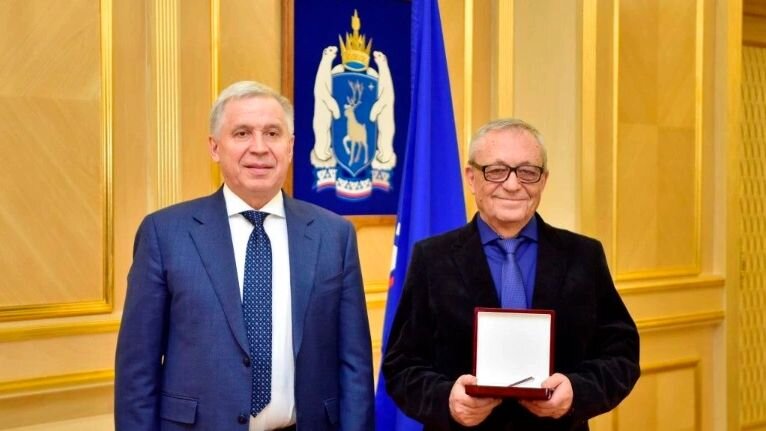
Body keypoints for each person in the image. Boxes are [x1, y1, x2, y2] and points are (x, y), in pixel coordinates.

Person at [115, 80, 375, 430]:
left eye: (272, 133)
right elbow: (137, 370)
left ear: (290, 146)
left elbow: (355, 366)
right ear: (214, 147)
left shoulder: (334, 235)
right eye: (242, 133)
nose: (259, 148)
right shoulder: (165, 234)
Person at [382, 118, 640, 431]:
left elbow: (621, 355)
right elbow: (401, 364)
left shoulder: (583, 257)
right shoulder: (432, 258)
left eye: (528, 172)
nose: (513, 184)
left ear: (544, 180)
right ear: (471, 178)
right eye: (496, 170)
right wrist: (447, 399)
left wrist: (577, 393)